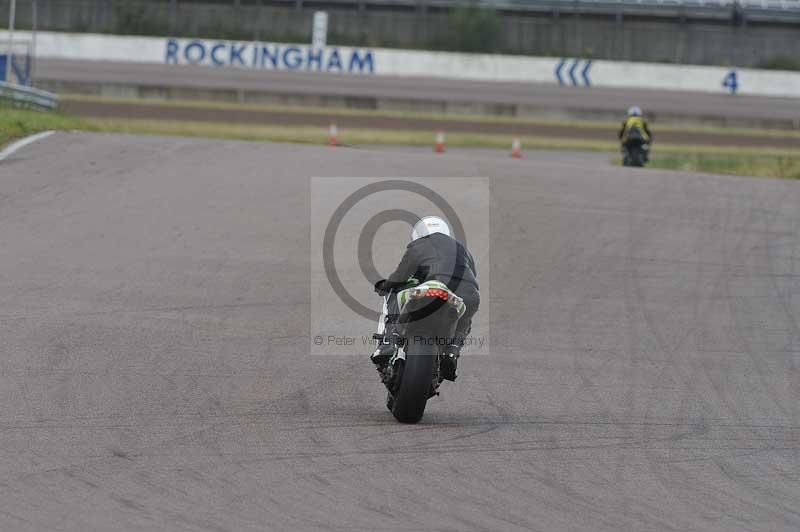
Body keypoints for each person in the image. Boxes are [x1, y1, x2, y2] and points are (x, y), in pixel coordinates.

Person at [370, 216, 480, 381]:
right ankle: (452, 351)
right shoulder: (463, 250)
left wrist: (385, 285)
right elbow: (471, 277)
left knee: (392, 294)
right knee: (465, 317)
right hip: (468, 293)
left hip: (436, 286)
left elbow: (401, 275)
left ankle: (388, 344)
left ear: (418, 234)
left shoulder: (419, 245)